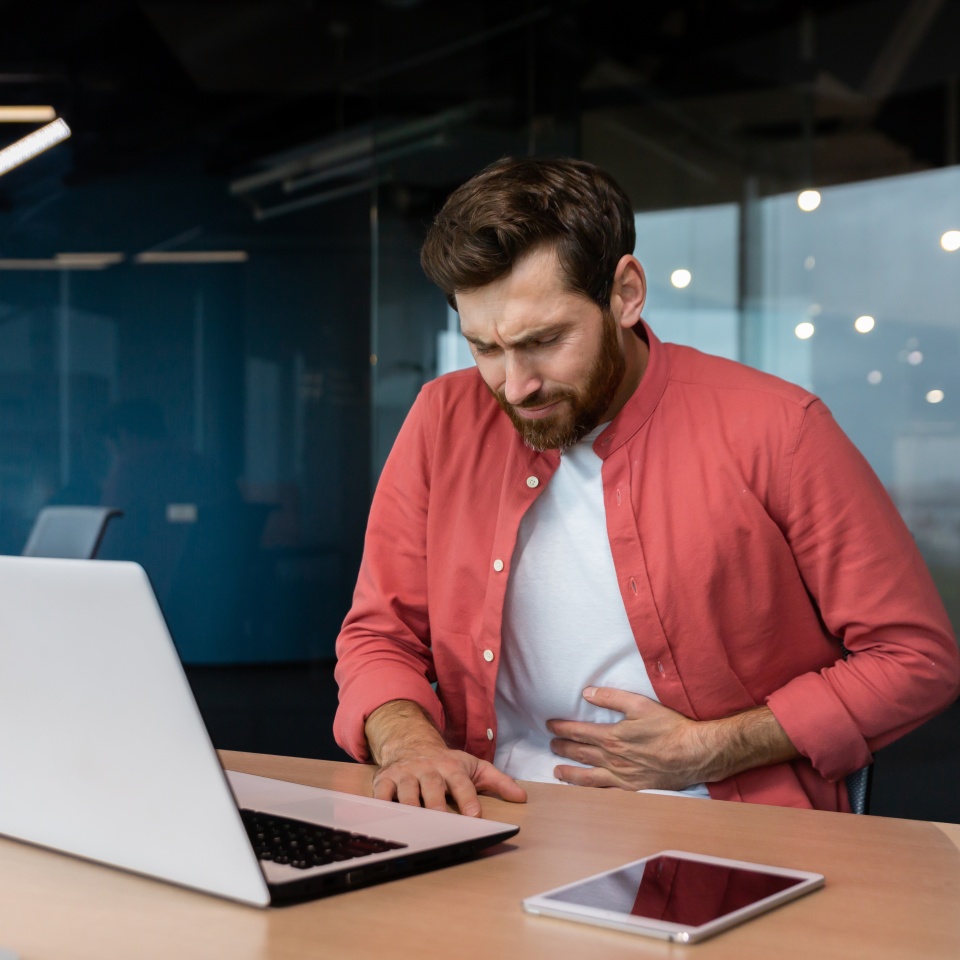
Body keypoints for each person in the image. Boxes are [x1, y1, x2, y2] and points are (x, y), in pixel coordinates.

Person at [334, 157, 960, 817]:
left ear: (625, 292)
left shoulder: (780, 429)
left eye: (544, 340)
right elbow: (380, 634)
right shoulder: (443, 418)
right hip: (490, 818)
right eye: (485, 348)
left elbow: (915, 659)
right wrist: (408, 745)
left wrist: (709, 748)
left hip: (722, 825)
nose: (514, 386)